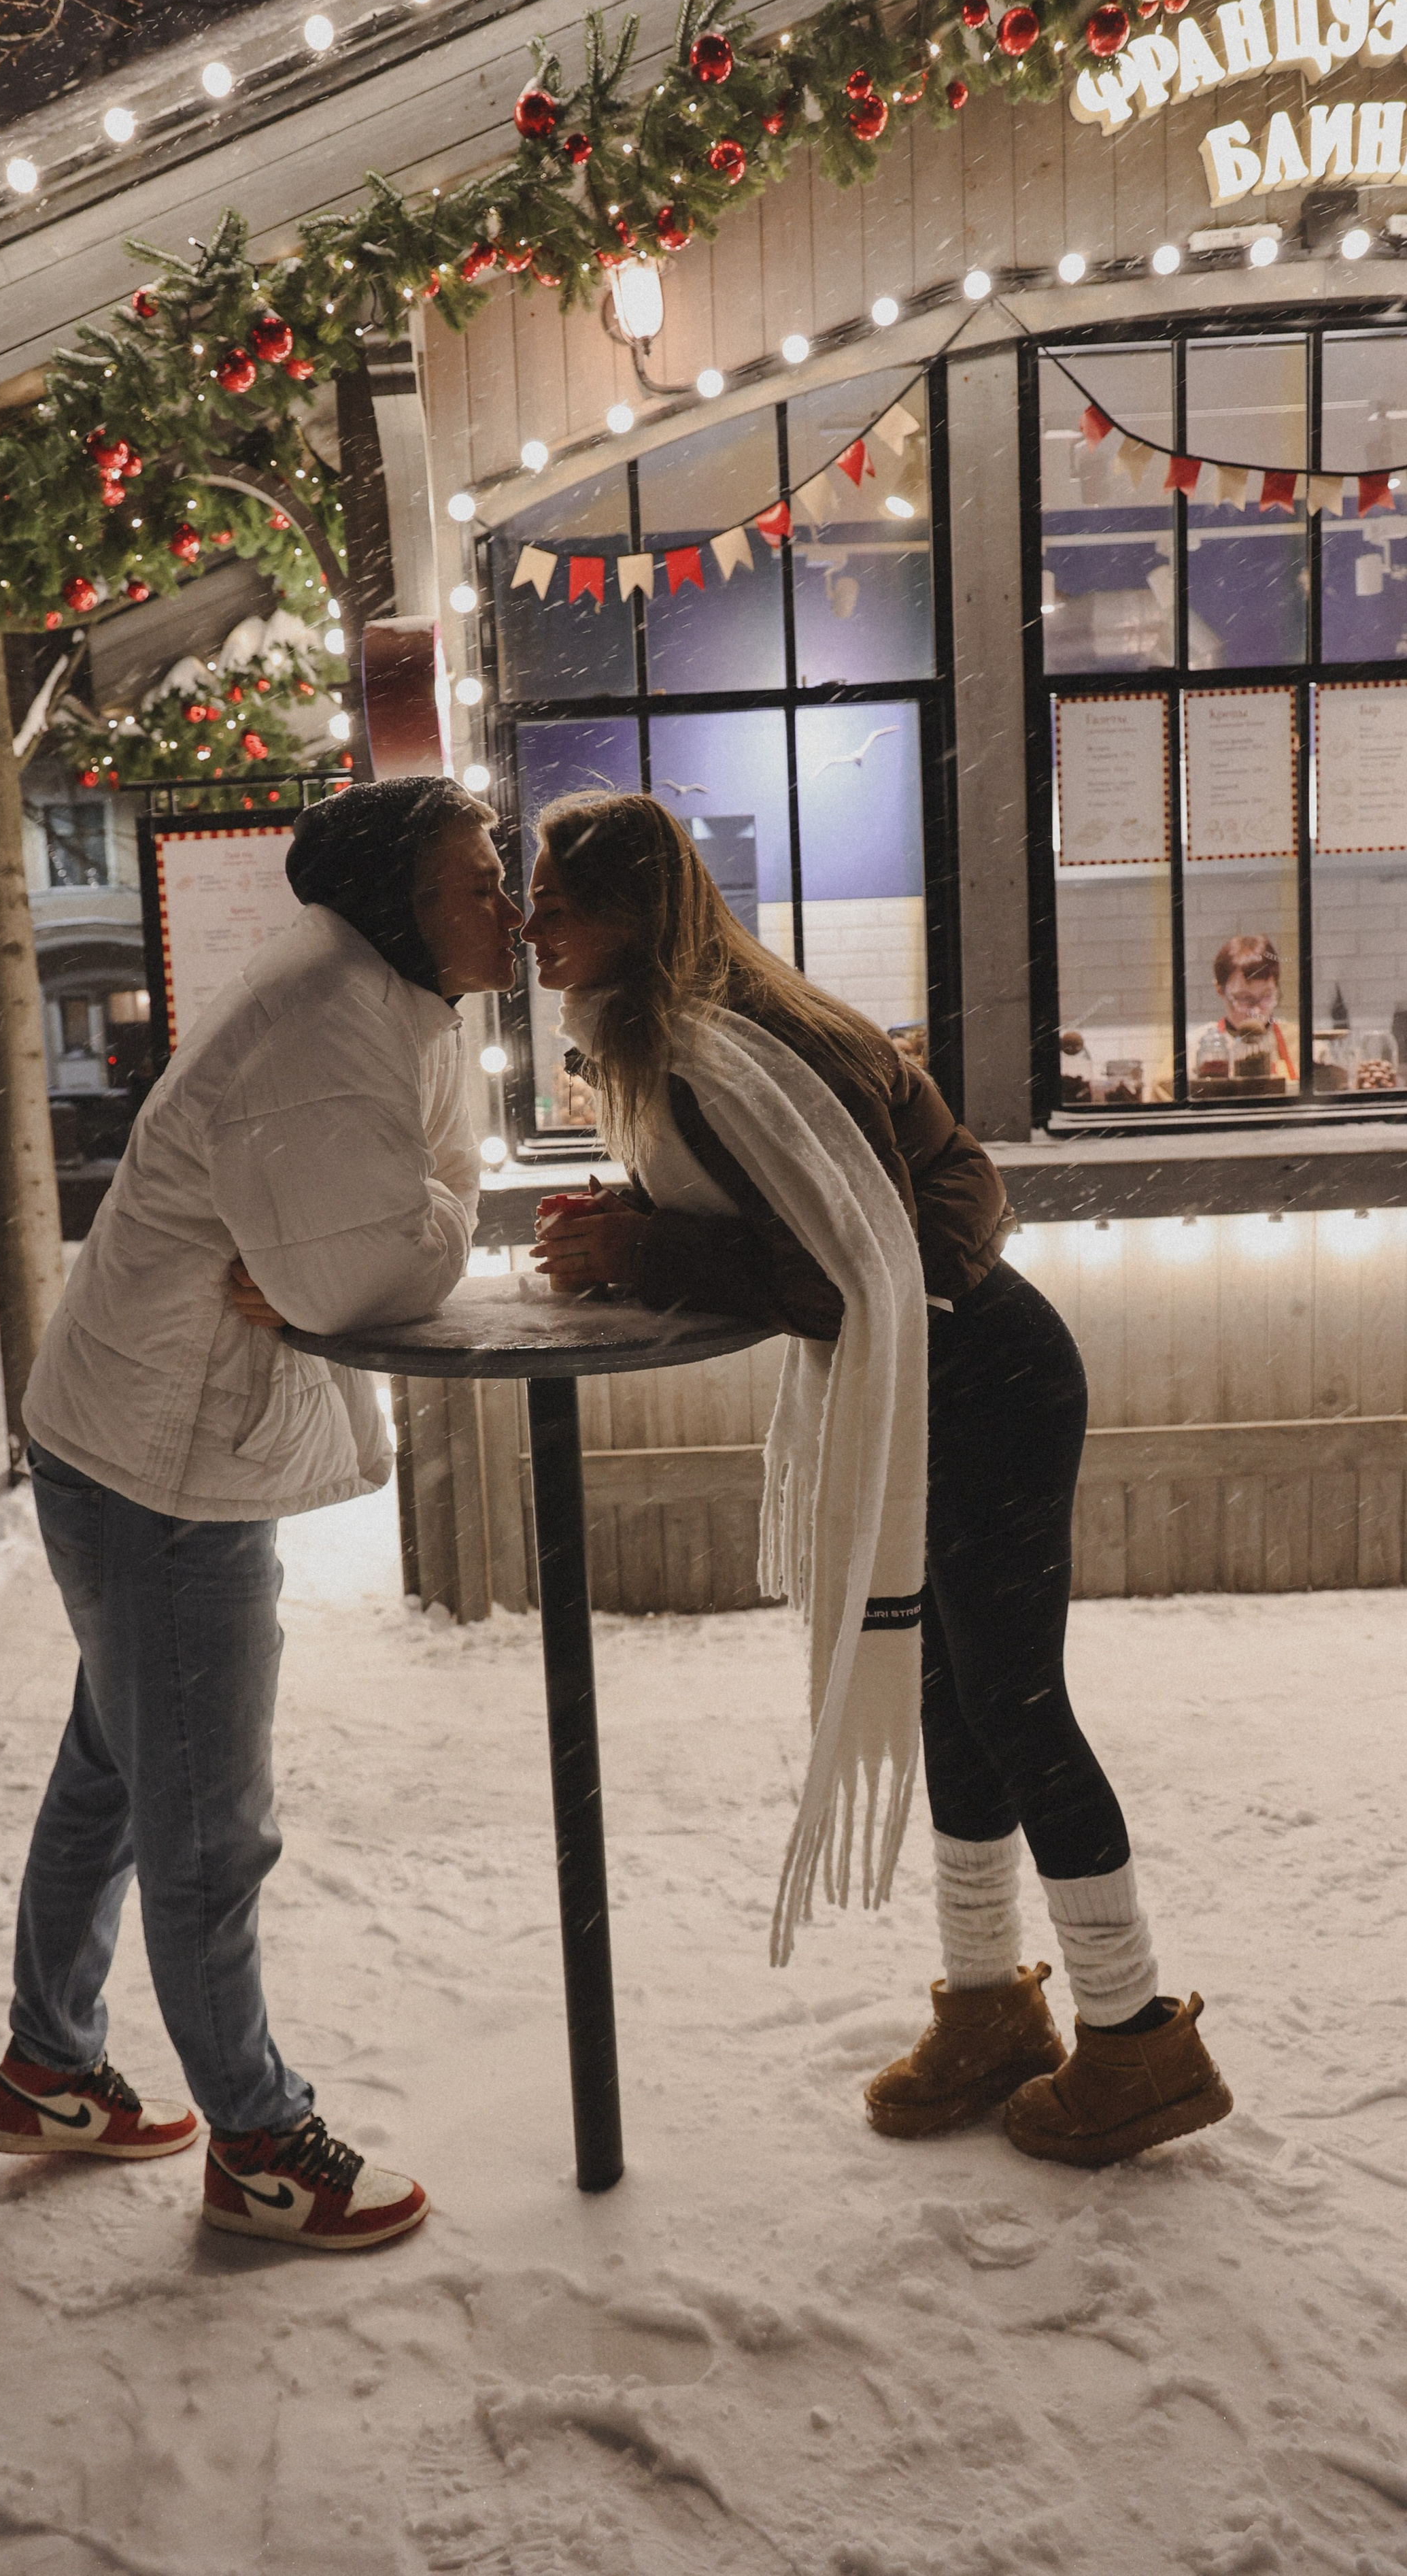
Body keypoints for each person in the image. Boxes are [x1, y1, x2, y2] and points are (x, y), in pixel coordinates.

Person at [525, 791, 1232, 2170]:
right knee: (949, 1702)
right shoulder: (675, 1038)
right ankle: (988, 2010)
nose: (533, 924)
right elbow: (868, 1222)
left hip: (985, 1384)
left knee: (1015, 1708)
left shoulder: (733, 1046)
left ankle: (1137, 2036)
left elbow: (886, 1250)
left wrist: (645, 1255)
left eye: (555, 898)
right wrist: (633, 1227)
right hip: (930, 1382)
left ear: (629, 913)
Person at [0, 777, 522, 2249]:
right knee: (206, 1821)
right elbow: (371, 1276)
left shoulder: (379, 995)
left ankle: (48, 2067)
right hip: (156, 1466)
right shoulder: (327, 1019)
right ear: (397, 899)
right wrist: (364, 1246)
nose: (507, 899)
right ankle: (261, 2144)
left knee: (116, 1761)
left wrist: (373, 1237)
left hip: (130, 1437)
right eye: (478, 878)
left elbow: (411, 1216)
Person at [1190, 934, 1297, 1096]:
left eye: (1266, 996)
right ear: (1220, 990)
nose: (1256, 1011)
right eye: (1244, 999)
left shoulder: (1301, 1043)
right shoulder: (1194, 1048)